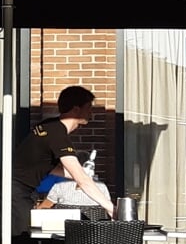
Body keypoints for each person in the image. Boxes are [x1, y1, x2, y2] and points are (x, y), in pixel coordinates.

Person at [11, 85, 113, 227]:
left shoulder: (49, 126)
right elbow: (82, 180)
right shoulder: (58, 135)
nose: (91, 112)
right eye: (88, 107)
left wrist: (80, 174)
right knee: (20, 243)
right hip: (14, 192)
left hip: (20, 192)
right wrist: (111, 208)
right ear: (76, 110)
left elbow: (46, 167)